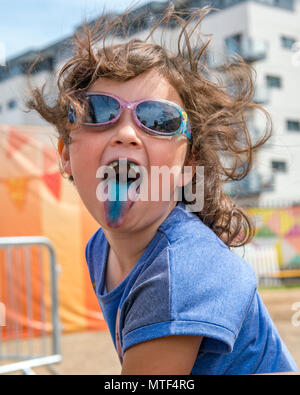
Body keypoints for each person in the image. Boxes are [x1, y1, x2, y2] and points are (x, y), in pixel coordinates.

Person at [27, 6, 298, 375]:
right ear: (65, 155)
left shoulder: (183, 272)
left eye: (159, 120)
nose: (125, 132)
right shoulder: (99, 250)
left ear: (189, 168)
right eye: (97, 111)